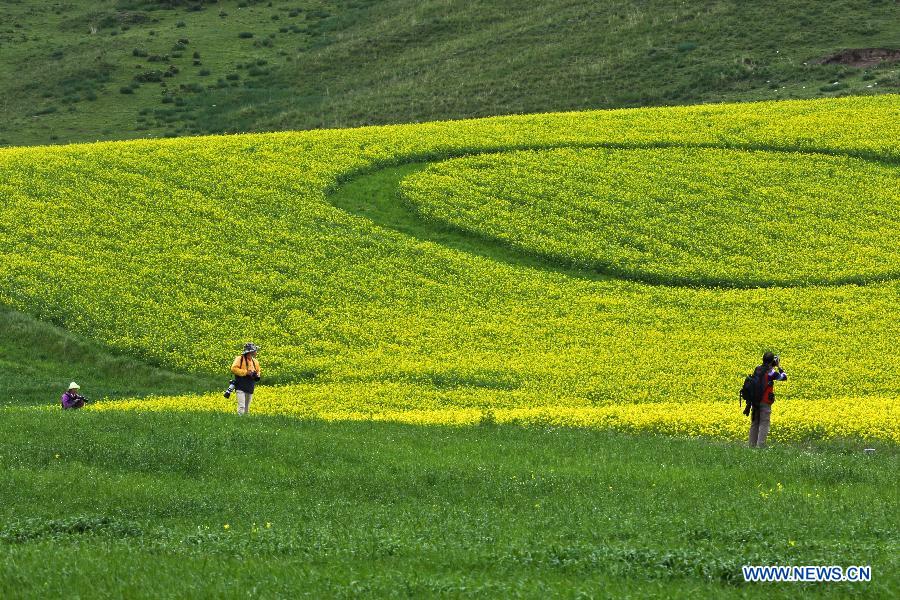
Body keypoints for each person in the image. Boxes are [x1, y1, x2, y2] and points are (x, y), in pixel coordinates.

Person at [748, 352, 787, 448]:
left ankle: (751, 445)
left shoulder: (757, 369)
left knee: (755, 422)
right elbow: (784, 377)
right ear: (771, 362)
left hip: (755, 400)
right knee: (764, 423)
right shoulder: (771, 373)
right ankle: (761, 445)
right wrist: (778, 366)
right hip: (765, 401)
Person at [231, 343, 261, 415]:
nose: (256, 352)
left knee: (247, 408)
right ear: (250, 352)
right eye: (255, 350)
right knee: (242, 406)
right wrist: (246, 372)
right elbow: (233, 369)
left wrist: (257, 375)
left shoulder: (255, 361)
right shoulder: (240, 359)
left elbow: (258, 371)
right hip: (240, 385)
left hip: (250, 386)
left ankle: (245, 421)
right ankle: (239, 420)